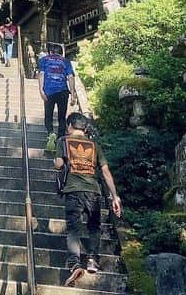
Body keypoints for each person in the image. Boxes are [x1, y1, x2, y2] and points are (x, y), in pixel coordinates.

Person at [55, 112, 122, 286]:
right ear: (85, 128)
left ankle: (75, 262)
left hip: (73, 190)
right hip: (94, 191)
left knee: (73, 229)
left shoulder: (63, 141)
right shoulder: (94, 145)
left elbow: (59, 164)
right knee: (94, 226)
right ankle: (92, 259)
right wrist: (115, 197)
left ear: (69, 126)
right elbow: (105, 172)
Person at [38, 43, 78, 152]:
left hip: (49, 91)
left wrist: (41, 90)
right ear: (61, 52)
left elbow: (41, 74)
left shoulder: (44, 60)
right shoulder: (66, 61)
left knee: (48, 116)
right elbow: (70, 77)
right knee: (61, 117)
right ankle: (60, 139)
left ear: (50, 52)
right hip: (63, 92)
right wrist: (73, 93)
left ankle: (51, 133)